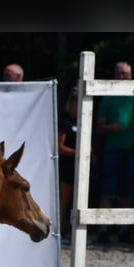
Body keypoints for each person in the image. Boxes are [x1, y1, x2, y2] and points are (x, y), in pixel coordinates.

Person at [95, 61, 134, 245]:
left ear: (130, 75)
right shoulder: (108, 97)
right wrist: (111, 127)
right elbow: (99, 127)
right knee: (107, 190)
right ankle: (103, 229)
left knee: (128, 192)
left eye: (124, 73)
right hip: (112, 150)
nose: (121, 76)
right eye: (118, 73)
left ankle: (124, 230)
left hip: (133, 149)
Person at [57, 87, 78, 245]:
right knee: (64, 201)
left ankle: (71, 231)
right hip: (67, 165)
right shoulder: (65, 122)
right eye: (75, 103)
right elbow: (59, 146)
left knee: (75, 202)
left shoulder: (82, 121)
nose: (77, 107)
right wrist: (77, 153)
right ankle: (60, 231)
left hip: (78, 167)